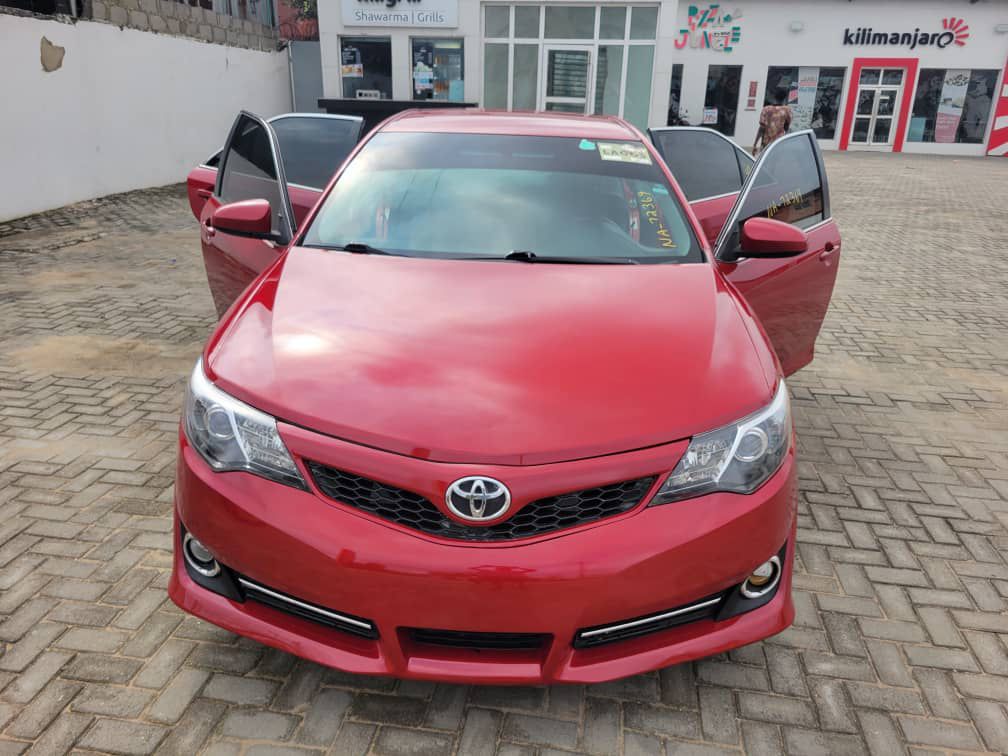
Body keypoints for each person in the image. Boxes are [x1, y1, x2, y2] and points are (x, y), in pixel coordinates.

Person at [753, 87, 793, 156]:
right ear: (785, 98)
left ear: (774, 97)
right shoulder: (787, 110)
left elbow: (761, 129)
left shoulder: (766, 109)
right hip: (779, 144)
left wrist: (755, 144)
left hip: (766, 145)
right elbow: (787, 127)